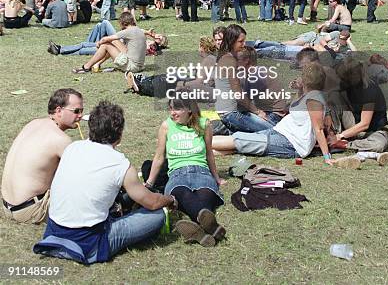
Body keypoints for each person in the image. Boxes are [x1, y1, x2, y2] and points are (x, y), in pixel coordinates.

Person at [34, 101, 176, 264]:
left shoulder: (72, 148)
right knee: (156, 216)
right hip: (90, 242)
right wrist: (170, 199)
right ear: (119, 133)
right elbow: (152, 203)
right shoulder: (121, 164)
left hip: (54, 231)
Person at [212, 63, 333, 164]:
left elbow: (319, 129)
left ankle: (198, 145)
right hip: (280, 131)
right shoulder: (307, 95)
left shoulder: (314, 99)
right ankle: (201, 151)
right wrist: (300, 89)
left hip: (291, 143)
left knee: (239, 140)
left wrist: (327, 157)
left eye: (302, 75)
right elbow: (292, 107)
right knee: (241, 143)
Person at [146, 96, 226, 247]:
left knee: (205, 194)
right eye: (170, 109)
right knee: (183, 195)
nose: (172, 113)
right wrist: (149, 183)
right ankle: (213, 228)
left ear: (189, 109)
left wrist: (216, 178)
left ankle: (201, 234)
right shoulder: (166, 126)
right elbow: (158, 157)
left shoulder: (204, 124)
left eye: (177, 109)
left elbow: (209, 153)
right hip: (177, 174)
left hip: (201, 172)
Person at [2, 89, 83, 224]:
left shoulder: (33, 124)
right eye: (76, 111)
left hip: (8, 206)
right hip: (32, 210)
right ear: (59, 111)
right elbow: (83, 176)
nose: (80, 115)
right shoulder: (60, 139)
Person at [215, 25, 274, 132]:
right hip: (231, 113)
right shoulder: (229, 60)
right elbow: (238, 94)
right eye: (241, 41)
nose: (244, 44)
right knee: (272, 132)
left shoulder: (227, 57)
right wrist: (257, 112)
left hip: (232, 110)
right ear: (232, 41)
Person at [333, 58, 388, 152]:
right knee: (332, 96)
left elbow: (365, 124)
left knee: (379, 145)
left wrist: (340, 136)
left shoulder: (369, 89)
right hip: (352, 123)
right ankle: (332, 135)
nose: (343, 79)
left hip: (373, 130)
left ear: (356, 74)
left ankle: (345, 144)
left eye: (345, 76)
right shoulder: (347, 82)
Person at [72, 12, 146, 74]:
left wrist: (99, 43)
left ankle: (86, 67)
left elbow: (105, 39)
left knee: (105, 45)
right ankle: (97, 64)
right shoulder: (138, 30)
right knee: (113, 42)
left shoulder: (128, 31)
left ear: (123, 23)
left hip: (131, 67)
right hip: (139, 66)